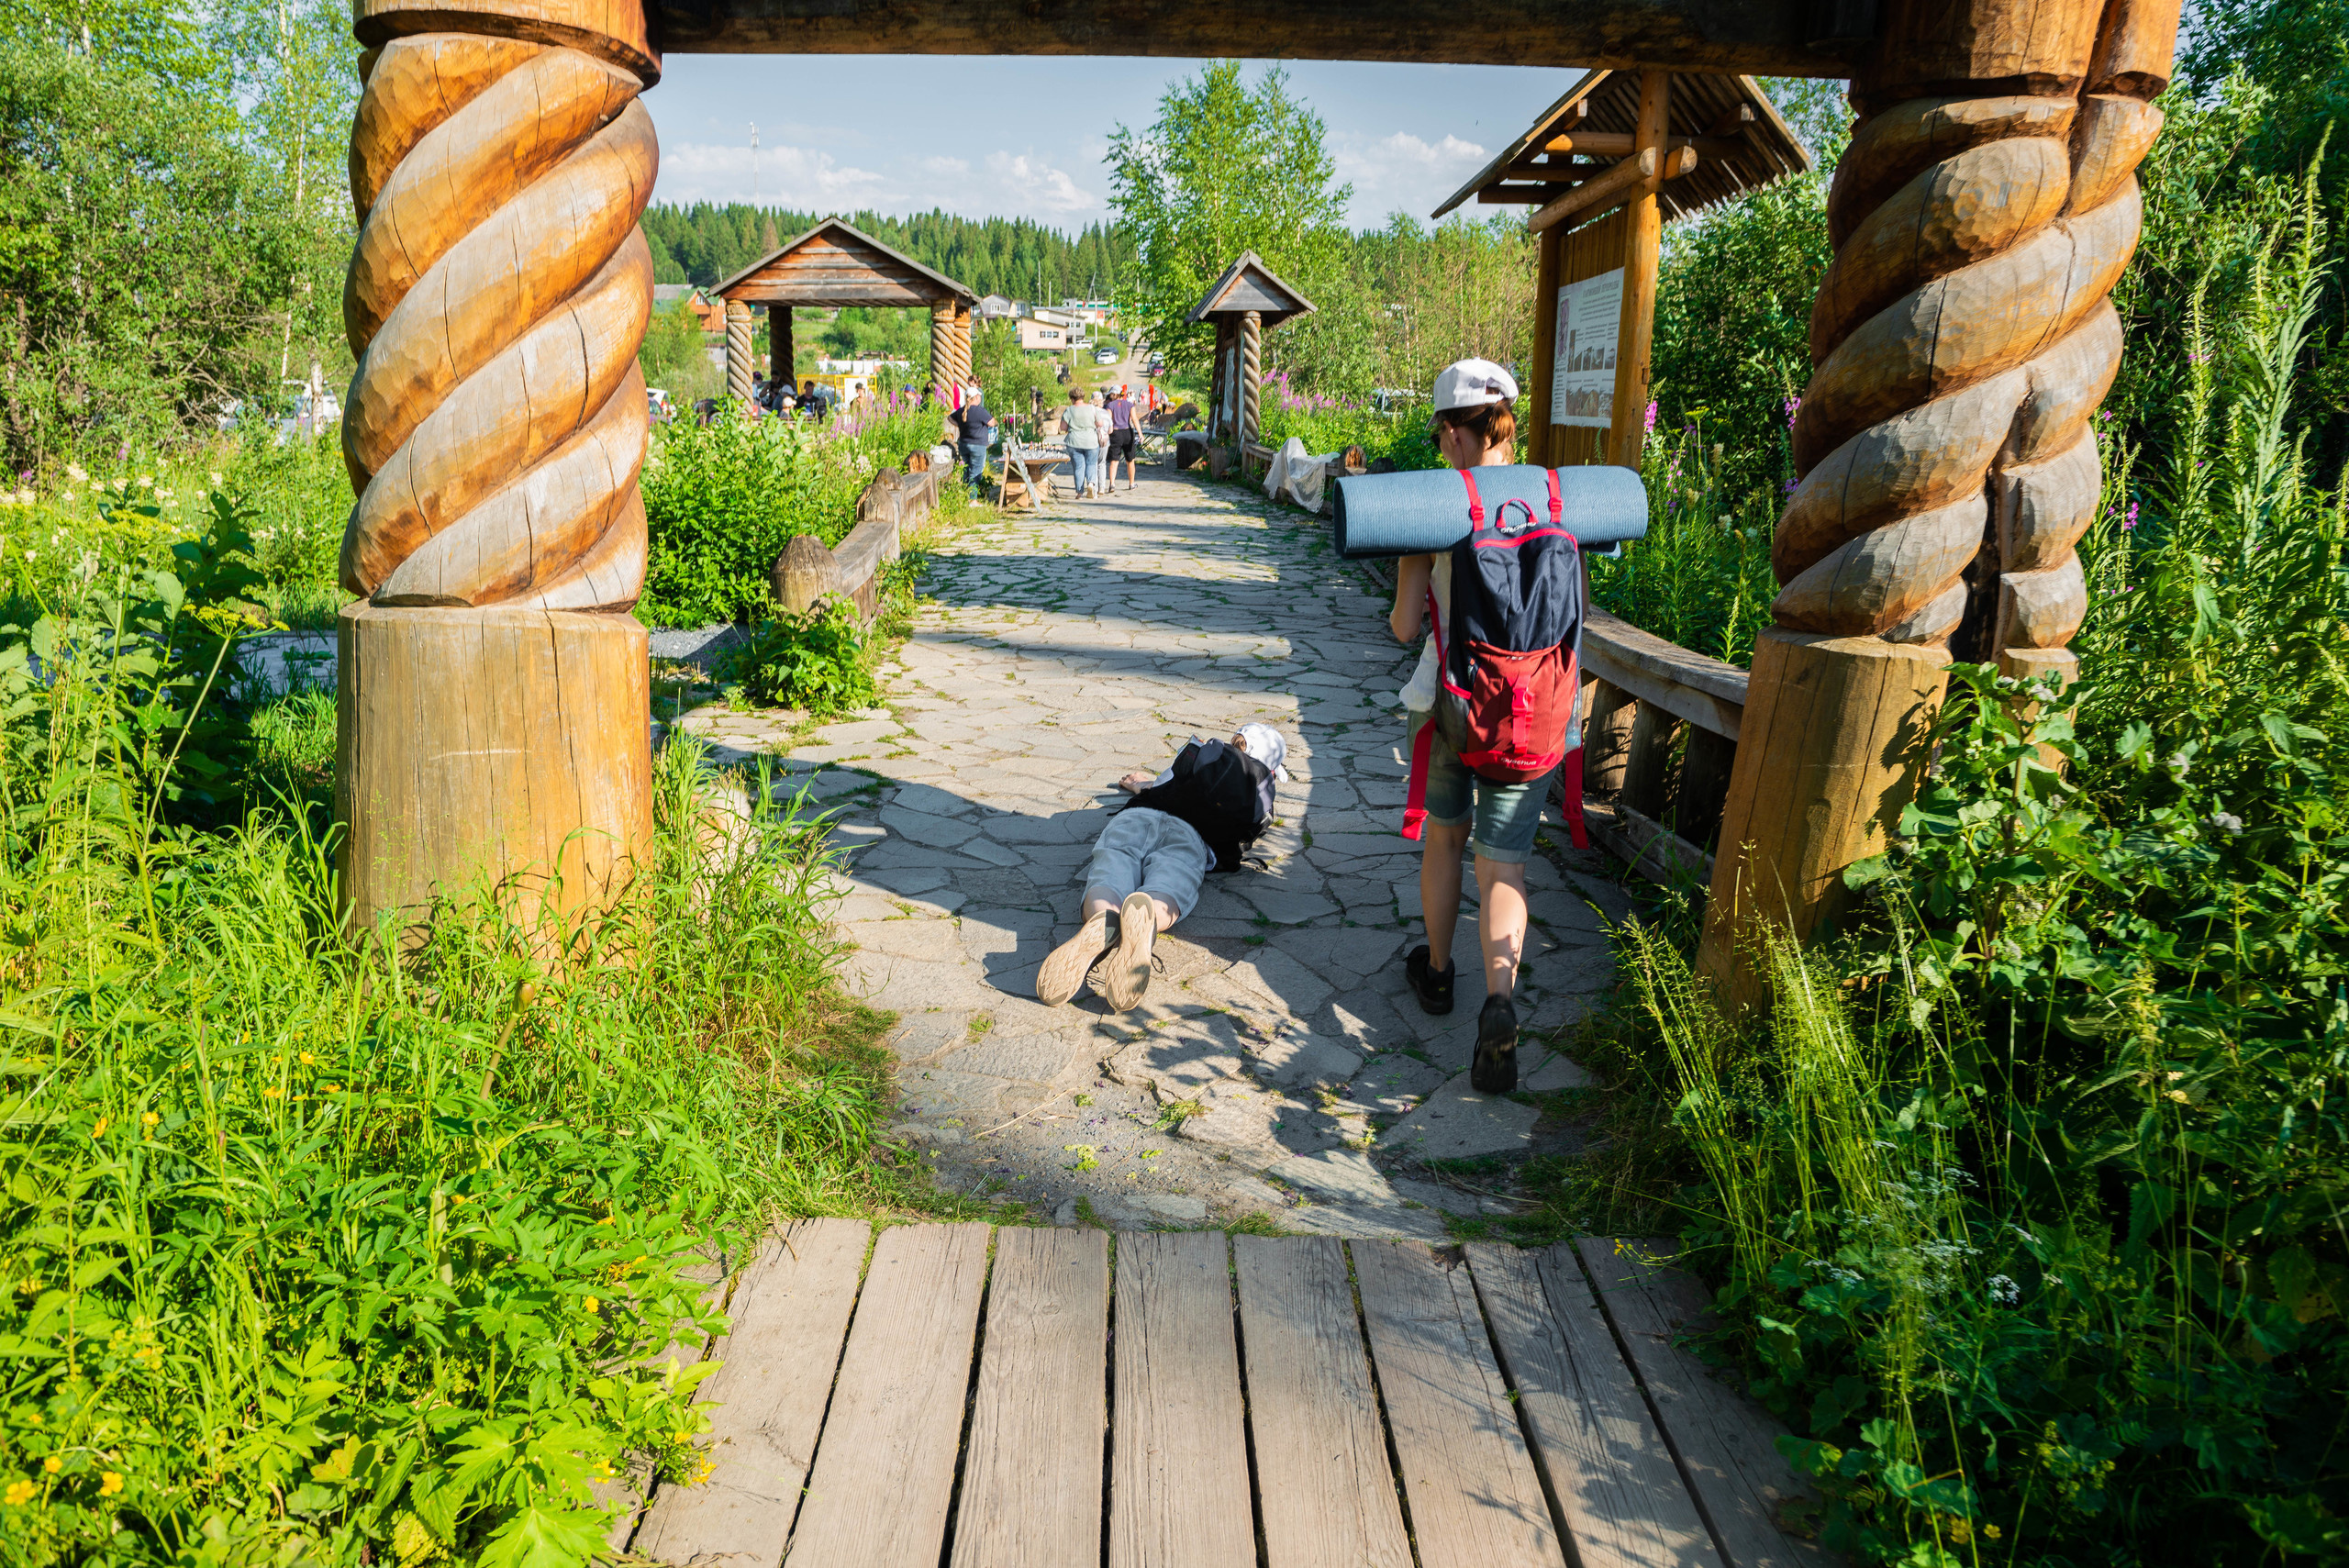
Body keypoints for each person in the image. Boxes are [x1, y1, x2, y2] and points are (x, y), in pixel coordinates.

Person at [1387, 358, 1548, 1093]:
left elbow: (1400, 626)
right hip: (1533, 712)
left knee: (1447, 839)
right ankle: (1500, 1004)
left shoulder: (1436, 504)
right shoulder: (1554, 495)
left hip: (1456, 705)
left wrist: (1411, 568)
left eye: (1439, 434)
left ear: (1454, 432)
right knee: (1505, 864)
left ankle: (1441, 974)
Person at [1038, 726, 1288, 1011]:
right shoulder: (1254, 796)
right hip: (1190, 838)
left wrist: (1139, 785)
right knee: (1169, 885)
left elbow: (1159, 786)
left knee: (1112, 868)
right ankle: (1149, 917)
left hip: (1137, 818)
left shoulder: (1203, 753)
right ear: (1268, 770)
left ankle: (1104, 915)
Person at [949, 384, 995, 500]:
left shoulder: (961, 411)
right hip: (978, 446)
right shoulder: (980, 411)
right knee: (975, 472)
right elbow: (992, 423)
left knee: (966, 471)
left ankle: (965, 496)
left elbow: (949, 418)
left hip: (964, 445)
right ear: (976, 398)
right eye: (979, 396)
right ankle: (972, 499)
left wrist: (959, 424)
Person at [1063, 385, 1106, 499]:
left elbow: (1062, 427)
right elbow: (1100, 423)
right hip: (1091, 441)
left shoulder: (1069, 410)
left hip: (1074, 442)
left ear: (1072, 399)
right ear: (1083, 397)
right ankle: (1091, 483)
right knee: (1091, 464)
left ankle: (1080, 492)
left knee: (1079, 467)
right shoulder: (1092, 408)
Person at [1105, 384, 1139, 491]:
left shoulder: (1110, 406)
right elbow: (1134, 419)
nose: (1109, 396)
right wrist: (1140, 433)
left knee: (1114, 461)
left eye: (1111, 394)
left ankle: (1112, 484)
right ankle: (1131, 483)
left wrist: (1105, 433)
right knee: (1130, 460)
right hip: (1127, 432)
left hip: (1115, 433)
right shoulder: (1129, 405)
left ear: (1115, 394)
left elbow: (1108, 420)